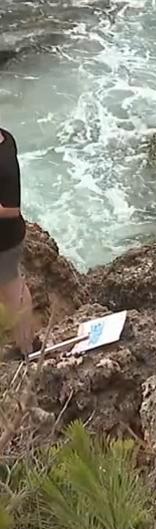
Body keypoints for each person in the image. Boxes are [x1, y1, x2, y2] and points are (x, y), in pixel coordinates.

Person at [0, 124, 35, 358]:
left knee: (12, 287)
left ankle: (27, 349)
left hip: (5, 241)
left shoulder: (4, 161)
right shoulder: (6, 135)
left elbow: (12, 210)